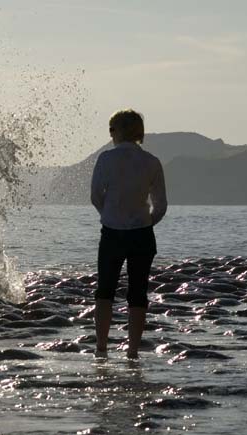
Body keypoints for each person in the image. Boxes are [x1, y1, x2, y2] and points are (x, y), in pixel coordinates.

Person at [90, 109, 167, 359]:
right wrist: (146, 222)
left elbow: (95, 196)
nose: (109, 134)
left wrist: (110, 214)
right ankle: (132, 351)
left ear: (119, 131)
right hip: (142, 234)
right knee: (138, 293)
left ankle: (101, 348)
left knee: (105, 291)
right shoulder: (152, 162)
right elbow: (161, 205)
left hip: (112, 232)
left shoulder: (106, 159)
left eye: (111, 129)